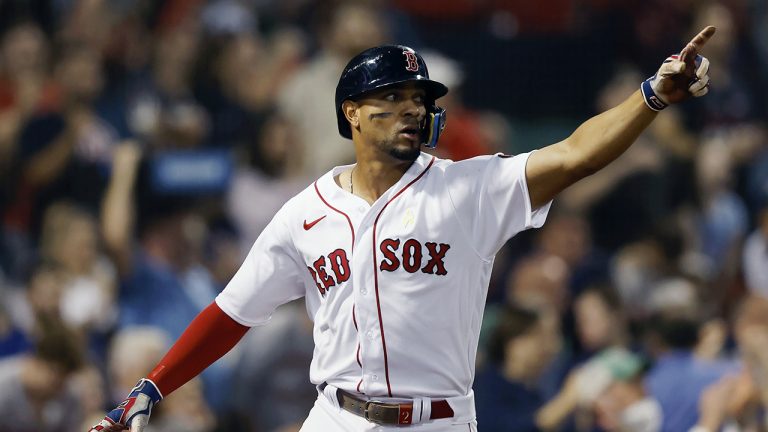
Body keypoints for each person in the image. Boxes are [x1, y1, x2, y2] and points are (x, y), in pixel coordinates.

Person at [90, 26, 717, 431]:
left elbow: (577, 152)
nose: (413, 108)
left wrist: (651, 97)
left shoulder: (468, 188)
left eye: (420, 98)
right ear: (352, 114)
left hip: (439, 420)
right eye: (392, 96)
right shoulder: (305, 211)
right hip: (338, 417)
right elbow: (231, 313)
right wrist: (151, 385)